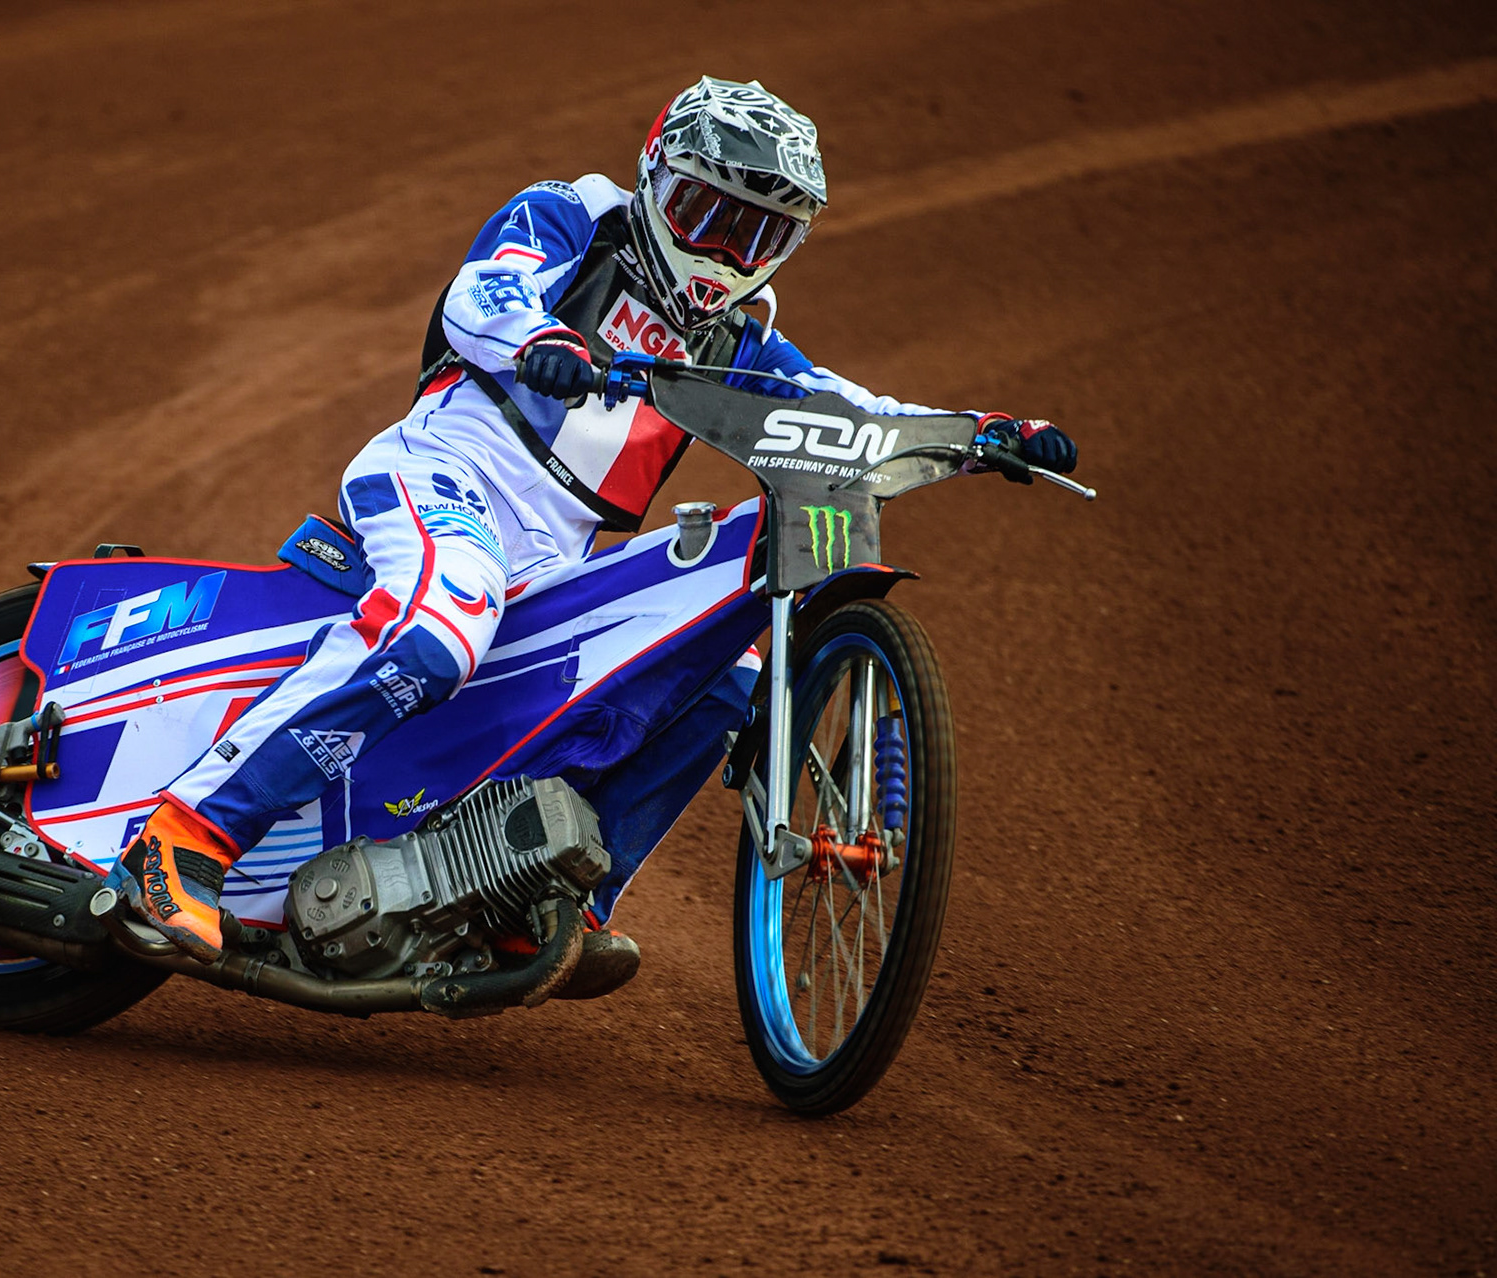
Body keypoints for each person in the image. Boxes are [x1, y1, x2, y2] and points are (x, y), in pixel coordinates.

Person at [108, 76, 1078, 965]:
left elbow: (845, 417)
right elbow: (483, 290)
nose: (723, 254)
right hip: (446, 478)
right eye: (708, 215)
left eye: (757, 235)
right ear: (657, 175)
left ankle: (554, 902)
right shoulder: (576, 215)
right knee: (442, 628)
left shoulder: (740, 339)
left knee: (719, 669)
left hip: (552, 556)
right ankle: (186, 835)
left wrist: (982, 435)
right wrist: (541, 339)